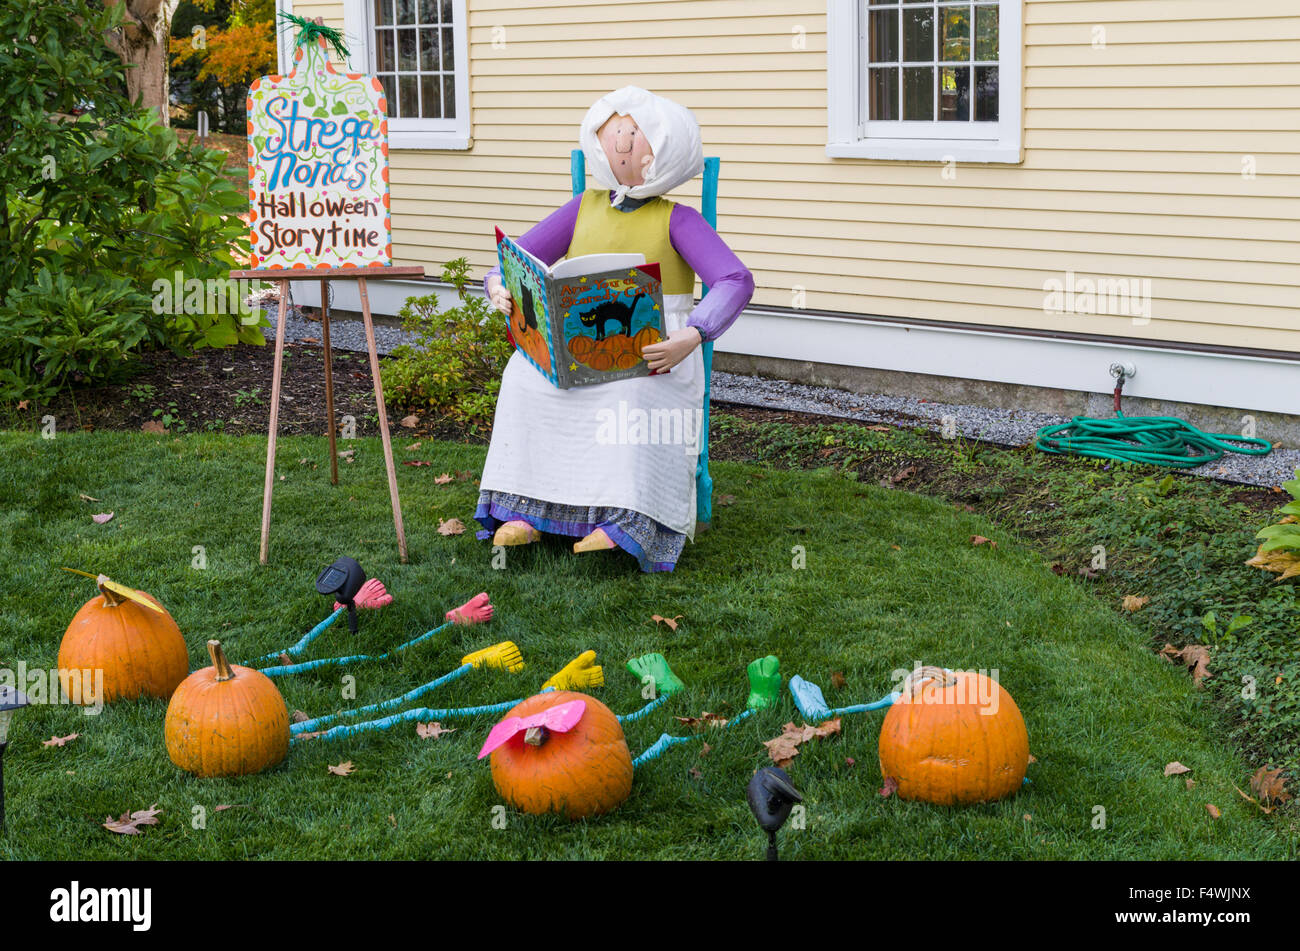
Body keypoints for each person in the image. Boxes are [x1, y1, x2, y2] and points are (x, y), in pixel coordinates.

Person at [475, 86, 754, 572]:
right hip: (572, 342)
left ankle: (625, 519)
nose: (622, 144)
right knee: (520, 381)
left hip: (653, 345)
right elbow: (517, 256)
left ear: (665, 150)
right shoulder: (583, 206)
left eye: (634, 134)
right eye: (614, 134)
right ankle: (526, 508)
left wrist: (693, 334)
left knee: (628, 401)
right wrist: (500, 285)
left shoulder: (677, 219)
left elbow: (734, 279)